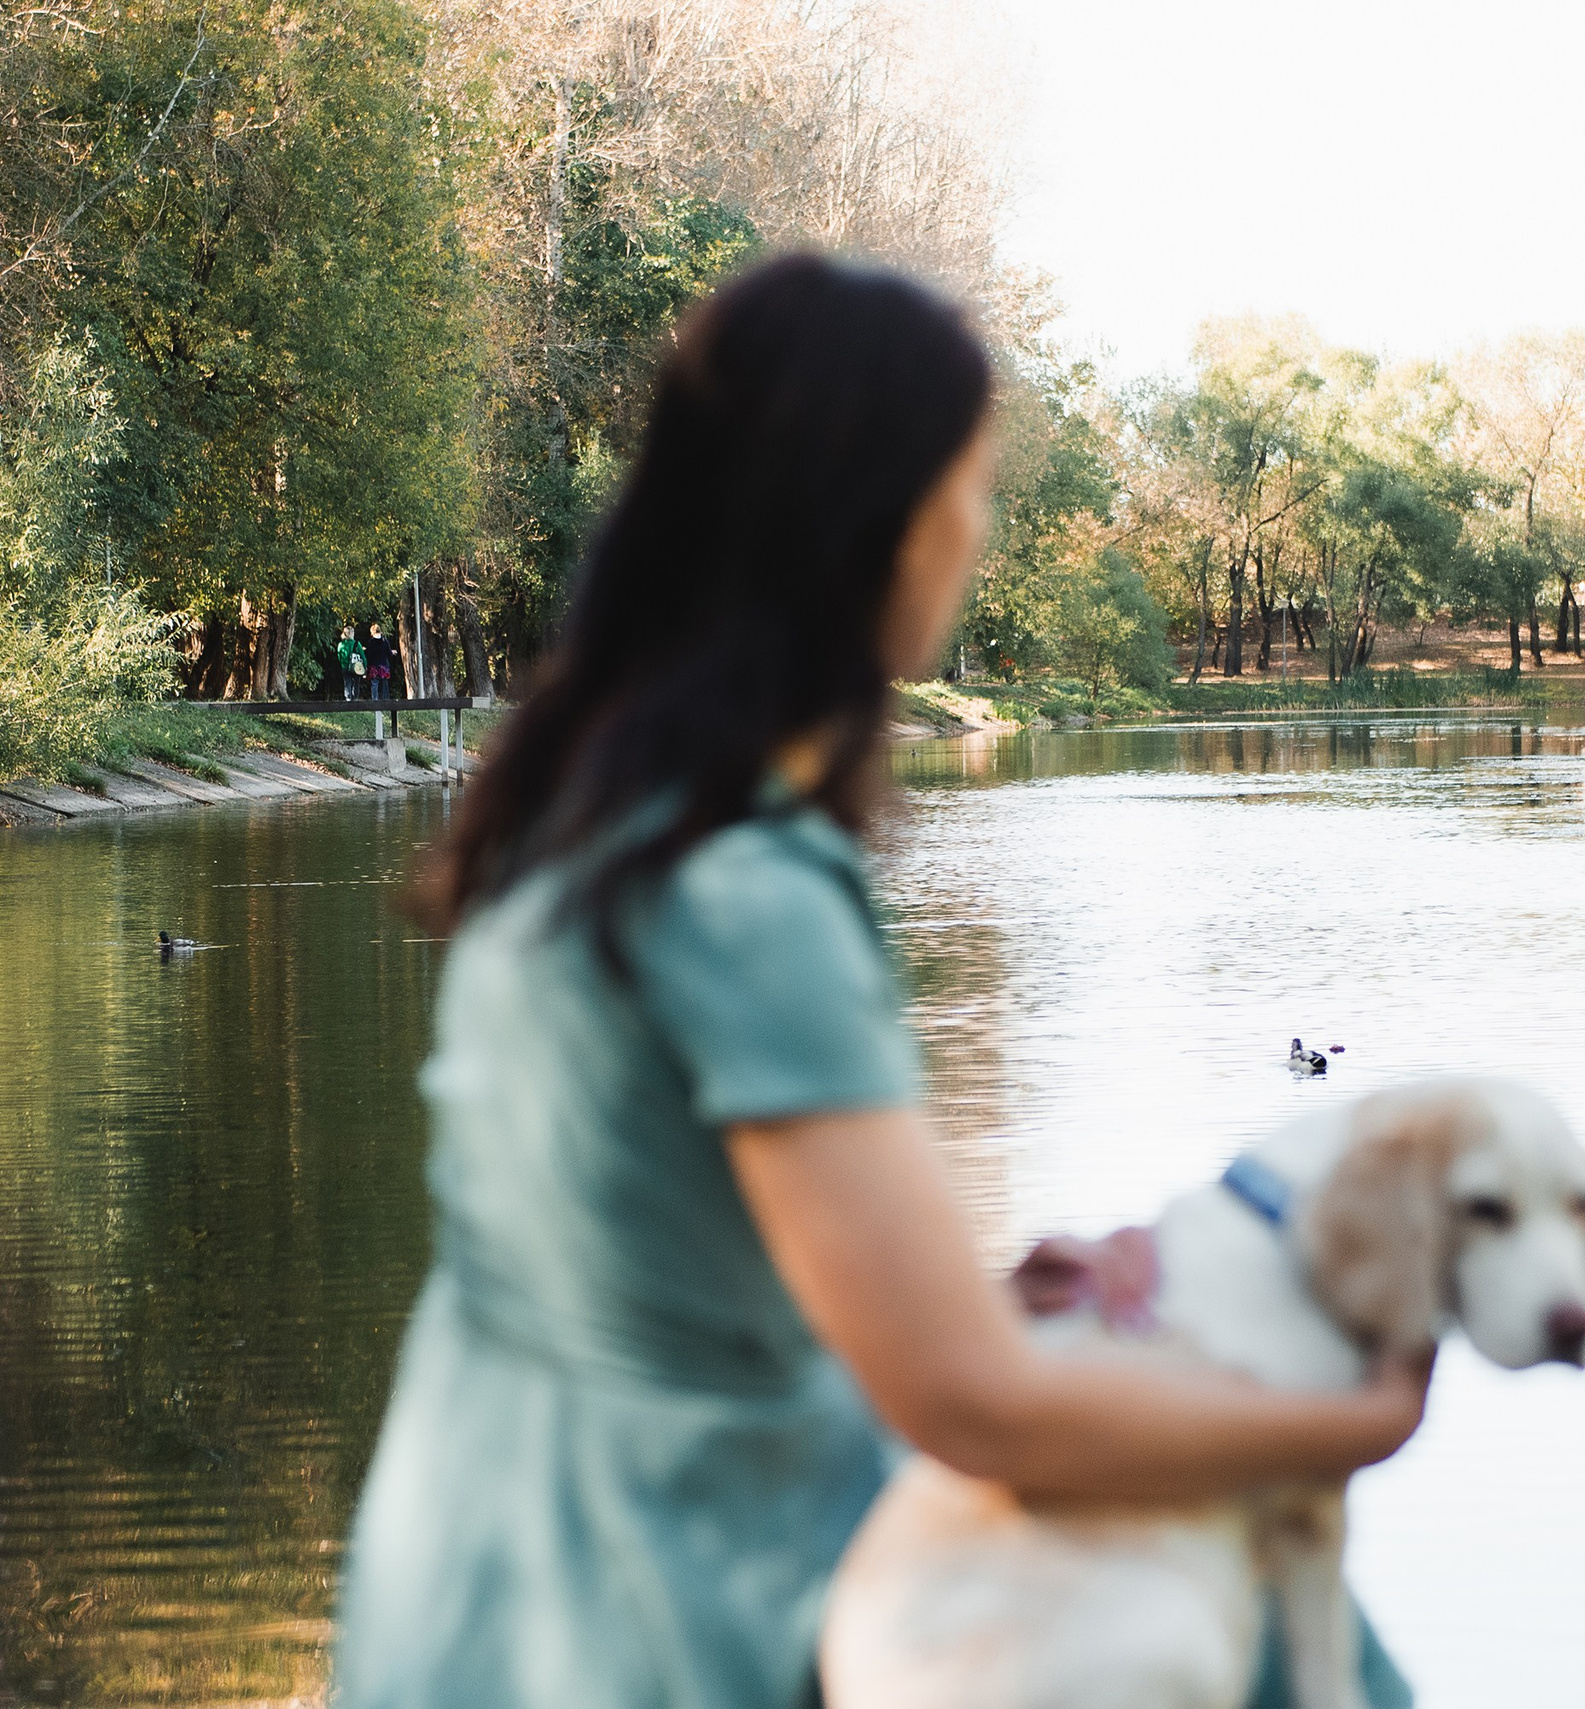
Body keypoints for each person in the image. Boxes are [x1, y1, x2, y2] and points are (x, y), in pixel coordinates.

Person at [332, 256, 1429, 1709]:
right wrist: (1343, 1421)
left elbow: (655, 1272)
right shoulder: (747, 888)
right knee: (1292, 1629)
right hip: (656, 1601)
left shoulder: (575, 819)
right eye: (967, 486)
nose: (976, 531)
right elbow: (973, 1408)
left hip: (461, 1581)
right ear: (880, 528)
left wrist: (965, 1294)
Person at [336, 625, 365, 700]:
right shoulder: (357, 644)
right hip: (356, 667)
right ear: (352, 633)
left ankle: (348, 698)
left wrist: (343, 664)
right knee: (356, 683)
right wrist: (365, 666)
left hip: (345, 666)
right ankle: (355, 699)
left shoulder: (341, 644)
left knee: (347, 683)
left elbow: (339, 656)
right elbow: (363, 656)